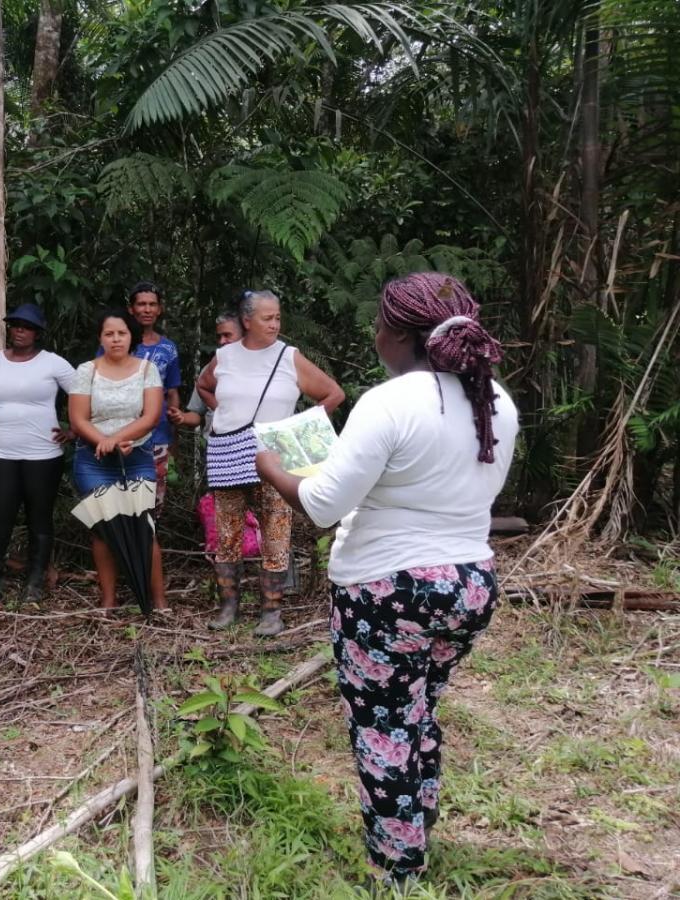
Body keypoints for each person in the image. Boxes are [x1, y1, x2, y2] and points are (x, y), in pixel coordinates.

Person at [255, 273, 518, 890]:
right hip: (470, 583)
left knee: (385, 727)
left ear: (400, 335)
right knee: (419, 711)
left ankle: (397, 869)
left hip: (389, 591)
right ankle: (416, 823)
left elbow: (320, 503)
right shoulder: (496, 399)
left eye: (379, 324)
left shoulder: (390, 401)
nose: (375, 334)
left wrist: (271, 467)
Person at [197, 290, 345, 635]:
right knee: (228, 534)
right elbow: (203, 386)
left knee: (276, 533)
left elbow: (333, 394)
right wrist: (224, 412)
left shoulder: (288, 357)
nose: (275, 324)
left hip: (275, 460)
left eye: (278, 317)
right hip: (228, 456)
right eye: (267, 318)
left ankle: (271, 612)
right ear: (247, 320)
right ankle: (228, 608)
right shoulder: (225, 356)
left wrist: (298, 430)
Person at [0, 303, 75, 611]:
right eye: (15, 325)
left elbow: (85, 394)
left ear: (37, 333)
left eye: (27, 326)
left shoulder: (52, 363)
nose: (20, 330)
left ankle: (34, 581)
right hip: (2, 453)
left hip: (43, 453)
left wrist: (73, 430)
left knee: (39, 518)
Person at [68, 309, 167, 611]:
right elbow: (77, 418)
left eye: (121, 333)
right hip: (93, 458)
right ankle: (108, 599)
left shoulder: (147, 369)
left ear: (131, 336)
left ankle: (158, 600)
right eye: (109, 333)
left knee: (142, 525)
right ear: (100, 337)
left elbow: (150, 417)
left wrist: (119, 439)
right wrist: (105, 443)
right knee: (103, 527)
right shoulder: (87, 370)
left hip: (136, 455)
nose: (115, 339)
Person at [121, 282, 182, 513]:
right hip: (121, 434)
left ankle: (147, 545)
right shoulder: (117, 342)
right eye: (141, 304)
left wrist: (174, 437)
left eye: (152, 304)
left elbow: (173, 391)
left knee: (153, 502)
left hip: (158, 436)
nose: (147, 309)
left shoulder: (168, 348)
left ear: (159, 309)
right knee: (121, 499)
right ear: (131, 309)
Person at [167, 311, 243, 434]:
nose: (222, 341)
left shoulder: (262, 368)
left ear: (244, 335)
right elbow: (197, 414)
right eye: (219, 336)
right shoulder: (210, 370)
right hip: (215, 444)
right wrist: (182, 417)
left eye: (227, 335)